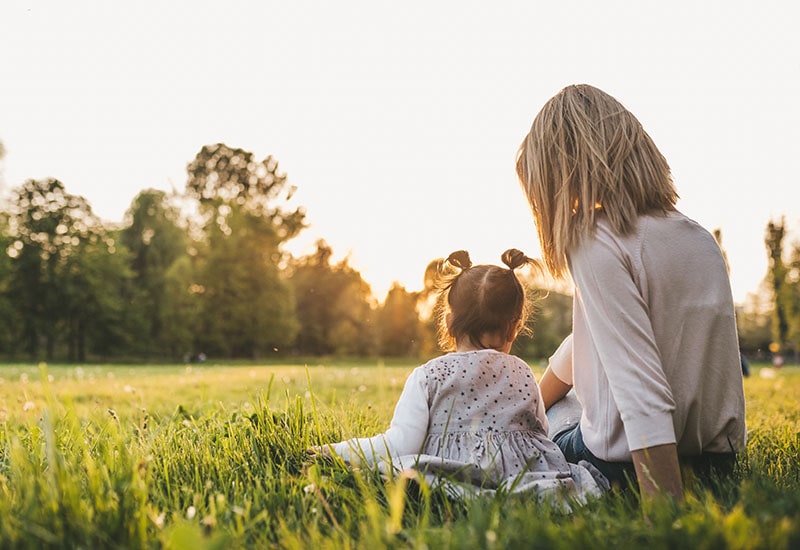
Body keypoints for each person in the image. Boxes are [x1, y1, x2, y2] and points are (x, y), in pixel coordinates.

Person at [515, 84, 747, 504]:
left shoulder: (596, 239)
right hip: (716, 463)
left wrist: (665, 514)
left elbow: (642, 389)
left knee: (555, 416)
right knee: (572, 383)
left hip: (632, 468)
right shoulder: (698, 237)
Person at [309, 249, 606, 503]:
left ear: (448, 322)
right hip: (524, 473)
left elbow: (400, 444)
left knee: (403, 467)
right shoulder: (523, 372)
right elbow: (541, 432)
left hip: (456, 471)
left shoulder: (429, 376)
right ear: (514, 327)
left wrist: (334, 451)